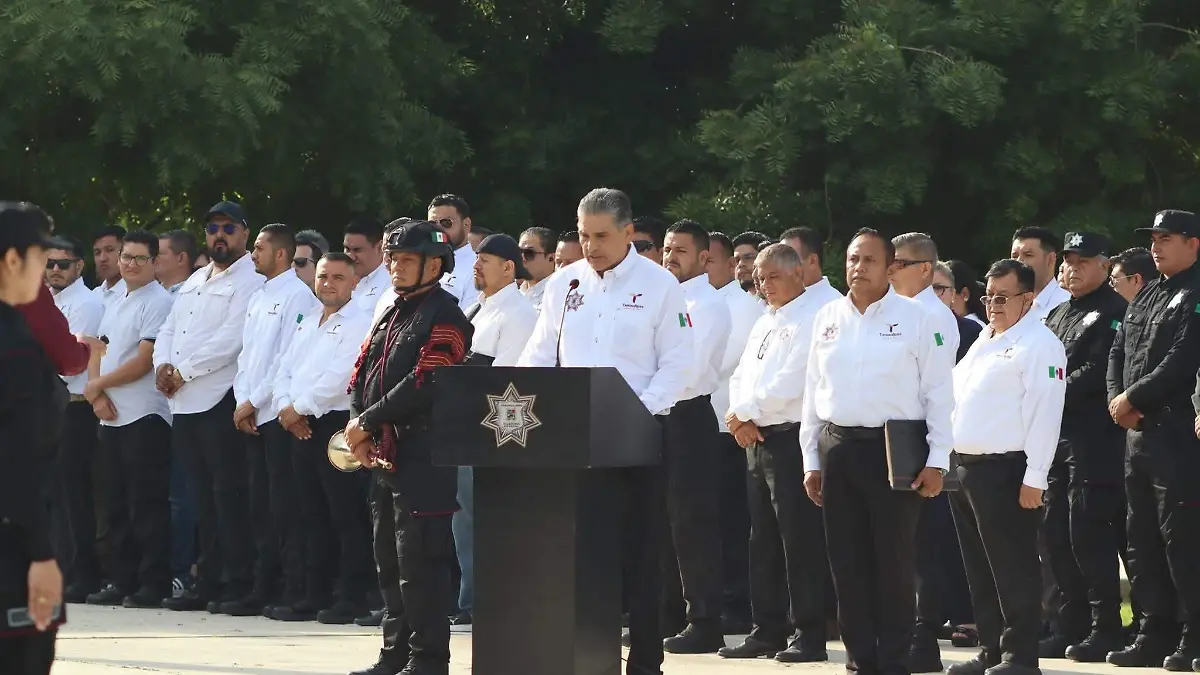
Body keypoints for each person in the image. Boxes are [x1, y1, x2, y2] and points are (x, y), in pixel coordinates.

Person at [519, 188, 694, 675]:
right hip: (575, 439)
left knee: (641, 553)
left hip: (640, 437)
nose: (590, 246)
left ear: (628, 232)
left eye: (600, 236)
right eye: (583, 235)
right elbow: (539, 354)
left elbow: (678, 362)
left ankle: (645, 661)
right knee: (583, 553)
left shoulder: (659, 285)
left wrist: (636, 414)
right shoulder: (565, 283)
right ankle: (587, 658)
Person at [800, 228, 954, 675]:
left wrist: (938, 459)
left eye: (869, 260)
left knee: (893, 562)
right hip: (838, 448)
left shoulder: (917, 317)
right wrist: (811, 460)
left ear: (890, 268)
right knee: (846, 563)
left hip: (892, 451)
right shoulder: (828, 316)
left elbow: (939, 393)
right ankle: (860, 659)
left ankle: (894, 659)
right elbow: (812, 391)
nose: (858, 268)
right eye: (852, 259)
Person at [345, 220, 473, 675]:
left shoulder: (448, 315)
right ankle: (395, 654)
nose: (396, 267)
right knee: (389, 561)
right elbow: (362, 372)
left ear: (434, 265)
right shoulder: (393, 310)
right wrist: (359, 424)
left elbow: (427, 380)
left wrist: (367, 422)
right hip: (385, 455)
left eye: (407, 260)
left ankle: (428, 660)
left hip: (423, 457)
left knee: (421, 564)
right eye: (393, 259)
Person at [947, 258, 1067, 675]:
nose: (993, 305)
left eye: (1002, 298)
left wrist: (1035, 477)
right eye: (988, 297)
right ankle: (992, 649)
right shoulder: (986, 337)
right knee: (980, 569)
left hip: (1007, 471)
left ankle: (1020, 656)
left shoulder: (1039, 344)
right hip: (967, 469)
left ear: (1028, 299)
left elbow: (1045, 414)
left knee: (1013, 567)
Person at [719, 243, 829, 663]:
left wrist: (744, 412)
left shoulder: (813, 317)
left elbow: (793, 382)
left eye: (773, 276)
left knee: (798, 540)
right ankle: (766, 629)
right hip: (755, 439)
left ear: (798, 273)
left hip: (790, 439)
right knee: (761, 540)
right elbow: (740, 375)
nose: (765, 285)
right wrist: (738, 416)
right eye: (760, 278)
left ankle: (809, 633)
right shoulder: (765, 320)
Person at [155, 201, 265, 612]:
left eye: (228, 228)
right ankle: (208, 580)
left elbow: (231, 340)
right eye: (213, 228)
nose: (220, 235)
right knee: (200, 498)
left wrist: (182, 370)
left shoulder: (252, 281)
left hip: (220, 400)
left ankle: (238, 581)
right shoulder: (196, 279)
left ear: (245, 234)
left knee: (228, 497)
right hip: (183, 404)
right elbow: (169, 328)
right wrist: (162, 366)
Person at [1109, 210, 1200, 670]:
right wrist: (1117, 398)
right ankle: (1153, 631)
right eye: (1154, 239)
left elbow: (1184, 358)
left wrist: (1134, 397)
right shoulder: (1146, 294)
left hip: (1176, 433)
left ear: (1193, 243)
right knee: (1141, 539)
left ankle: (1193, 635)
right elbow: (1119, 350)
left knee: (1181, 538)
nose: (1156, 246)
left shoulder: (1195, 292)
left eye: (1167, 238)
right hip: (1137, 436)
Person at [1039, 233, 1130, 662]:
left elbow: (1097, 371)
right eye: (1069, 261)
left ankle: (1104, 626)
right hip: (1053, 437)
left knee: (1087, 532)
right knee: (1055, 532)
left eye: (1083, 262)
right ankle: (1069, 624)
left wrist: (1047, 391)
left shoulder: (1116, 311)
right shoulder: (1058, 313)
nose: (1072, 269)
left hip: (1093, 440)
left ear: (1104, 265)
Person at [271, 253, 374, 625]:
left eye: (338, 277)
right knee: (309, 511)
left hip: (334, 423)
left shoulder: (359, 322)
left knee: (344, 512)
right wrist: (285, 407)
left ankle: (351, 596)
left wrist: (298, 408)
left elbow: (341, 376)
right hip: (298, 423)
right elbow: (283, 368)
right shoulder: (308, 319)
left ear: (354, 282)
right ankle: (313, 594)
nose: (329, 283)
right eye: (323, 276)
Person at [0, 201, 76, 674]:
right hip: (13, 551)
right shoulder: (15, 349)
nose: (46, 270)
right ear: (12, 260)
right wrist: (42, 555)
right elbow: (18, 461)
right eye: (40, 257)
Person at [82, 230, 175, 609]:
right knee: (114, 505)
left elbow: (143, 362)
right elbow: (97, 350)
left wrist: (98, 386)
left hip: (144, 415)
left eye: (139, 258)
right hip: (110, 416)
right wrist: (96, 395)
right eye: (126, 257)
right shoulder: (116, 298)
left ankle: (152, 582)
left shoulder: (158, 301)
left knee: (146, 504)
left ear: (155, 262)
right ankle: (121, 580)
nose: (130, 264)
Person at [230, 224, 316, 617]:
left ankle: (293, 587)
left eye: (260, 248)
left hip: (276, 415)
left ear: (281, 253)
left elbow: (285, 358)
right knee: (259, 506)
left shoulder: (297, 295)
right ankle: (262, 585)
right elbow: (247, 355)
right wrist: (241, 401)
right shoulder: (259, 295)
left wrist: (254, 401)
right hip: (252, 414)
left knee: (285, 506)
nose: (253, 254)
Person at [453, 234, 539, 626]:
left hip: (492, 434)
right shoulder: (475, 308)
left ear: (508, 267)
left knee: (488, 520)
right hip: (461, 430)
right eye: (476, 259)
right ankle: (469, 598)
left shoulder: (518, 314)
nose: (476, 265)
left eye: (484, 260)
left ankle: (488, 601)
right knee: (464, 520)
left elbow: (506, 383)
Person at [658, 220, 731, 653]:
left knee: (692, 524)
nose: (670, 257)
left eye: (681, 251)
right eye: (667, 249)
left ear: (704, 258)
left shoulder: (708, 305)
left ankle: (704, 621)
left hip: (688, 416)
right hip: (659, 416)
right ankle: (667, 614)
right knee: (662, 521)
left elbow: (687, 369)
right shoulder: (663, 299)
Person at [703, 231, 764, 631]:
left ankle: (737, 603)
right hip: (706, 427)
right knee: (710, 522)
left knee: (731, 523)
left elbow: (719, 361)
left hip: (730, 430)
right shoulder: (696, 301)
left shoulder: (741, 307)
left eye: (710, 261)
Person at [44, 236, 106, 601]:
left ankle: (83, 574)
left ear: (79, 266)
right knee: (55, 494)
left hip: (76, 405)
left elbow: (70, 362)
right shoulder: (48, 302)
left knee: (74, 494)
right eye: (49, 263)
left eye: (62, 264)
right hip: (51, 407)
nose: (54, 270)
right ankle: (63, 571)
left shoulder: (86, 303)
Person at [427, 194, 478, 306]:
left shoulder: (477, 267)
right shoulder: (422, 262)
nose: (438, 230)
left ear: (466, 224)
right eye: (432, 224)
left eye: (446, 223)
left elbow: (469, 314)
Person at [1010, 227, 1071, 322]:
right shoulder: (1005, 304)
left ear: (1050, 260)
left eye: (1028, 255)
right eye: (1014, 256)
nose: (1019, 261)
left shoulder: (1067, 305)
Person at [780, 226, 844, 307]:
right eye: (779, 260)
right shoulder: (776, 303)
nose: (780, 267)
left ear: (812, 261)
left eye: (788, 259)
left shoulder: (835, 306)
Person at [517, 227, 557, 312]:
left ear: (551, 258)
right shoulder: (513, 294)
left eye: (529, 253)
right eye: (519, 252)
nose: (522, 258)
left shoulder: (560, 295)